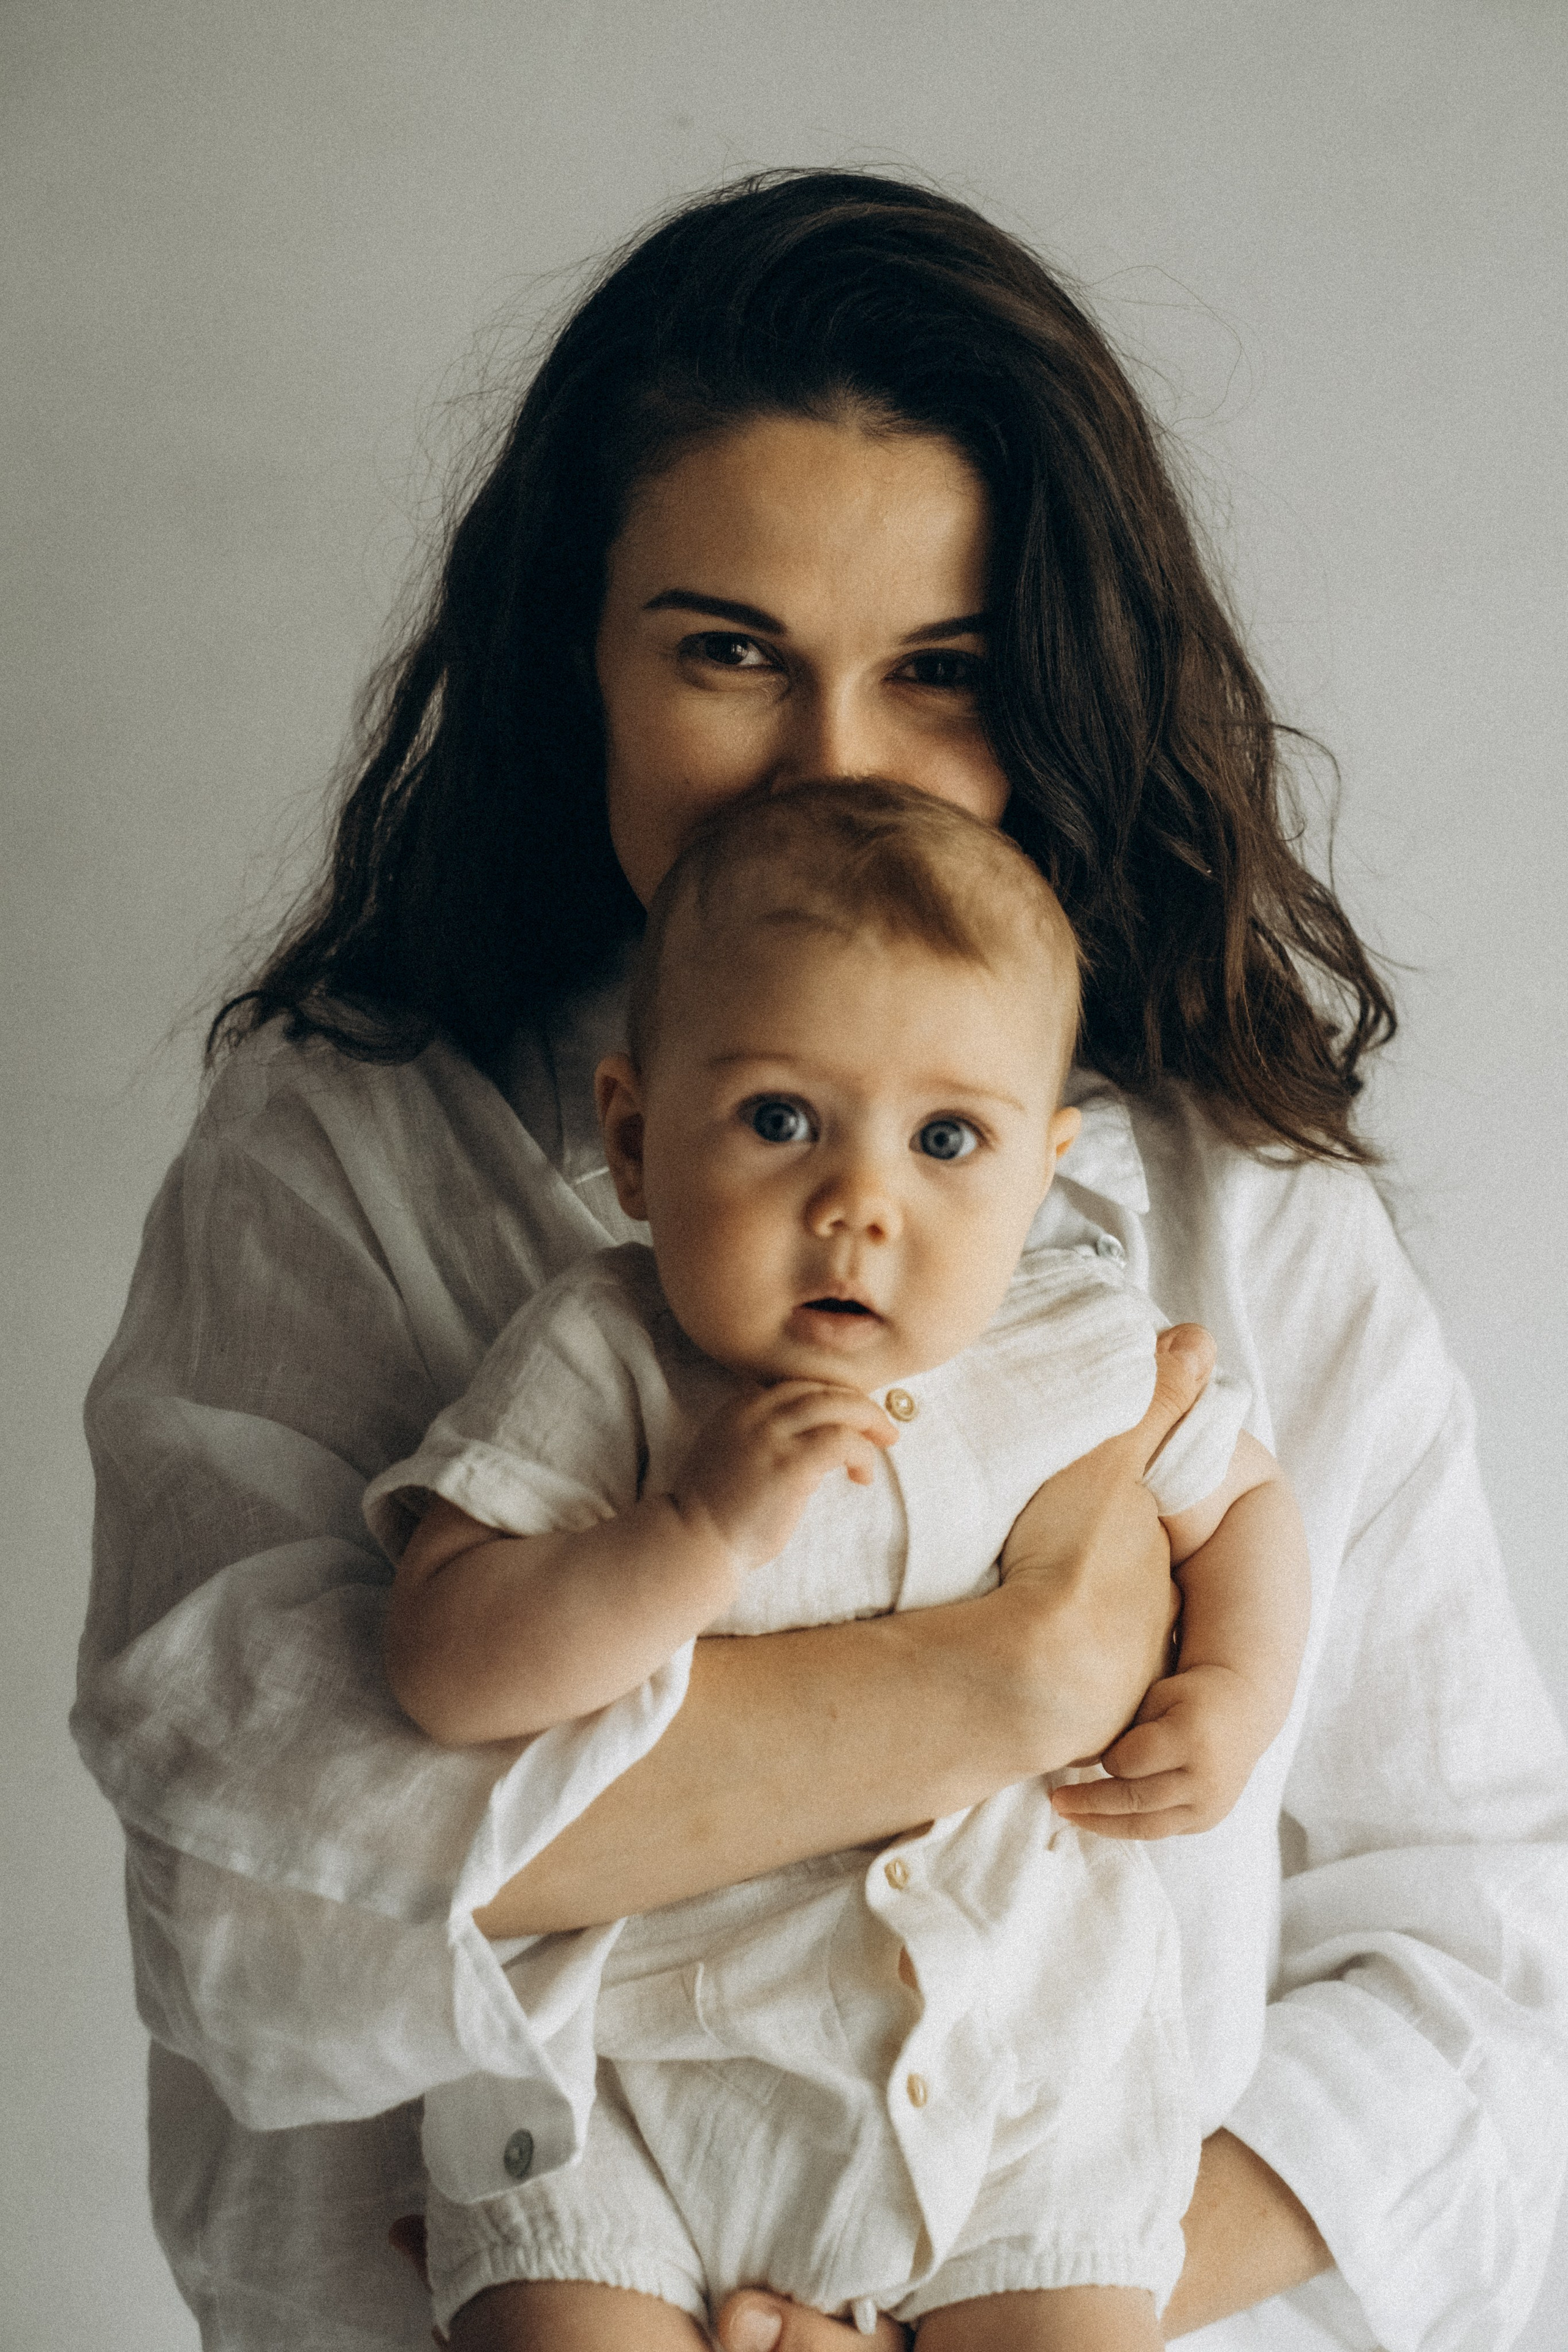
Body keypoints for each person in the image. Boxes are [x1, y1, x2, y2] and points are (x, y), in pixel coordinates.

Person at [72, 171, 1568, 2352]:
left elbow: (1488, 1970)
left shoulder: (1234, 1214)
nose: (834, 766)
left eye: (940, 672)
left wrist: (1038, 2282)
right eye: (728, 652)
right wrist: (1017, 1676)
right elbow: (245, 1896)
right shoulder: (344, 1145)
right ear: (571, 654)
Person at [364, 780, 1309, 2348]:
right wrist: (690, 1537)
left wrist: (1232, 1686)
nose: (858, 1206)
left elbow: (1245, 1506)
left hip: (1025, 2077)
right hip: (634, 2085)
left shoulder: (1081, 1345)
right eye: (780, 1119)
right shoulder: (606, 1360)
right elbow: (442, 1663)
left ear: (1040, 1171)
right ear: (633, 1140)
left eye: (948, 1140)